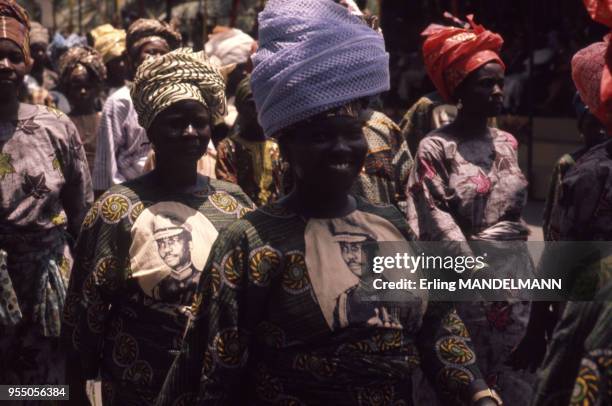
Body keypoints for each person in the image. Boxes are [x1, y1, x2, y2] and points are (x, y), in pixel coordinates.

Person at [157, 2, 499, 405]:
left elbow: (438, 326)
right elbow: (218, 367)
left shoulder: (393, 227)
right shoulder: (250, 242)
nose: (341, 149)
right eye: (320, 137)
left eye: (350, 134)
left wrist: (479, 393)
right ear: (286, 146)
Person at [62, 48, 254, 405]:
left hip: (215, 386)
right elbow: (84, 312)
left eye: (199, 121)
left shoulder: (234, 204)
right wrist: (78, 390)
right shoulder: (117, 209)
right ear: (149, 129)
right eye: (175, 122)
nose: (190, 132)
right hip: (139, 384)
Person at [405, 15, 534, 406]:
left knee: (513, 376)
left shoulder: (508, 142)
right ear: (459, 90)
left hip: (515, 282)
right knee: (463, 374)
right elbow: (433, 215)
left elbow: (514, 215)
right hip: (466, 287)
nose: (498, 91)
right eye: (485, 84)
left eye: (500, 82)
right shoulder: (436, 147)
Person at [0, 0, 92, 392]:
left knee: (46, 384)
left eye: (12, 56)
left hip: (49, 281)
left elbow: (82, 210)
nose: (3, 66)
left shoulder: (55, 126)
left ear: (28, 63)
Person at [91, 18, 181, 196]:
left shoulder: (178, 98)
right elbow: (106, 163)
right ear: (133, 59)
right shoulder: (120, 102)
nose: (157, 59)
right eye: (150, 52)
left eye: (163, 53)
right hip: (130, 194)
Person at [542, 94, 608, 242]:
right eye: (593, 124)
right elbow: (553, 216)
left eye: (604, 124)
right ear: (581, 128)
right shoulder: (568, 164)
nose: (601, 132)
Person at [215, 75, 280, 206]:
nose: (257, 110)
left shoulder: (278, 146)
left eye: (261, 103)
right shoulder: (228, 148)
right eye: (251, 104)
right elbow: (229, 192)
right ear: (239, 107)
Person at [57, 45, 107, 176]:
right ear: (67, 89)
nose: (83, 92)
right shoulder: (61, 124)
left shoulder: (106, 120)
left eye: (87, 86)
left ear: (96, 87)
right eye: (77, 87)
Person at [89, 24, 127, 97]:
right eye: (115, 61)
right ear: (105, 64)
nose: (122, 64)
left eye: (123, 58)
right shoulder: (97, 95)